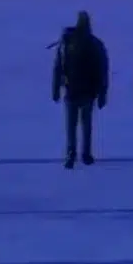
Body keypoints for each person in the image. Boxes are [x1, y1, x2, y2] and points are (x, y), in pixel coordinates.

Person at [50, 10, 109, 168]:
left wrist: (56, 89)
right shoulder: (95, 43)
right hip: (88, 92)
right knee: (86, 124)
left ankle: (71, 153)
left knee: (71, 125)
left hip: (71, 90)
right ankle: (86, 154)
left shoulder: (67, 42)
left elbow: (58, 67)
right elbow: (103, 69)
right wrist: (102, 93)